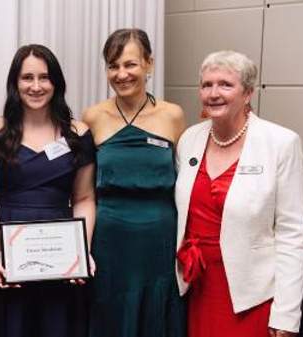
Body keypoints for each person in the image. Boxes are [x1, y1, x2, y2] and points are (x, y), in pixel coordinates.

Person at [0, 44, 96, 337]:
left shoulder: (79, 134)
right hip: (6, 253)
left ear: (56, 83)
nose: (36, 86)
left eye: (44, 77)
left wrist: (81, 250)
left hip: (60, 253)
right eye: (27, 78)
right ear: (15, 83)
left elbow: (85, 198)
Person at [175, 50, 303, 337]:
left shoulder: (281, 143)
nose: (214, 93)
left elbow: (292, 234)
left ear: (247, 93)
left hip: (251, 295)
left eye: (225, 84)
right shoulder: (189, 140)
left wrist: (286, 315)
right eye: (207, 85)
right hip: (196, 286)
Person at [82, 28, 186, 337]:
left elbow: (186, 181)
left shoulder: (173, 116)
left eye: (130, 64)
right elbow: (83, 190)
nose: (121, 74)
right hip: (109, 239)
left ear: (149, 64)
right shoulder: (92, 117)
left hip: (160, 238)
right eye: (113, 66)